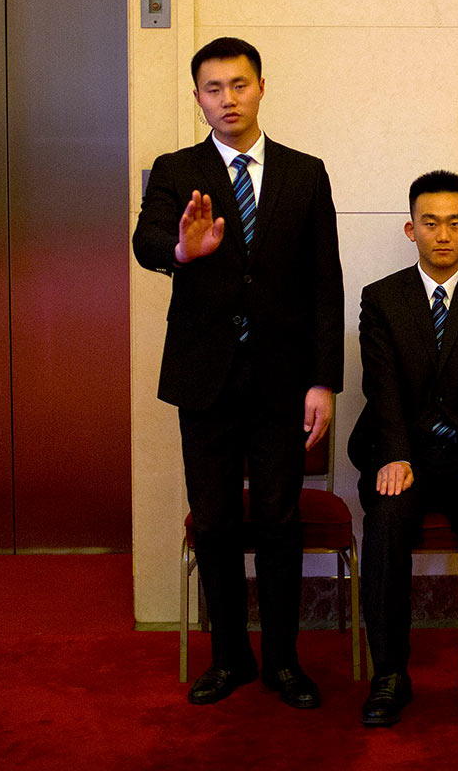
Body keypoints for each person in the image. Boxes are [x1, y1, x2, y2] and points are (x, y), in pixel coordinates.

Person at [133, 37, 344, 709]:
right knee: (218, 521)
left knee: (280, 521)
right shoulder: (175, 168)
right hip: (206, 377)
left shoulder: (305, 173)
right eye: (213, 88)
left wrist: (323, 380)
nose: (228, 99)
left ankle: (282, 660)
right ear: (198, 98)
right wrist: (180, 249)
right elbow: (146, 240)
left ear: (261, 86)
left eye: (239, 85)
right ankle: (230, 658)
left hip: (284, 380)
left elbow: (324, 283)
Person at [348, 170, 458, 728]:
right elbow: (382, 388)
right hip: (403, 456)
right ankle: (389, 676)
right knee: (388, 515)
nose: (442, 234)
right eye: (430, 223)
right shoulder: (381, 300)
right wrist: (394, 454)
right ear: (410, 229)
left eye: (454, 223)